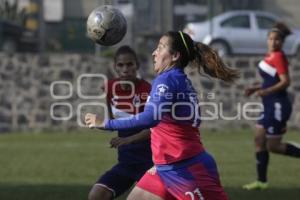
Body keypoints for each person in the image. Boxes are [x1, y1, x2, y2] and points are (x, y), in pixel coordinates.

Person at [85, 31, 239, 200]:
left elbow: (150, 118)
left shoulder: (167, 80)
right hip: (165, 168)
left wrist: (105, 123)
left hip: (186, 169)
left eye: (160, 48)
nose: (154, 53)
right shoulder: (177, 79)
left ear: (174, 56)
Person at [88, 45, 153, 200]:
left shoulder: (148, 90)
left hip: (150, 164)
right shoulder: (110, 88)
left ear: (137, 65)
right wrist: (96, 122)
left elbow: (154, 129)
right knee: (96, 195)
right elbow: (112, 123)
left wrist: (128, 139)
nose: (125, 69)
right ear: (115, 67)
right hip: (126, 163)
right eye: (121, 65)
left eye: (130, 64)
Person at [243, 22, 300, 190]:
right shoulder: (270, 56)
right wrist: (255, 88)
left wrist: (266, 91)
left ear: (282, 43)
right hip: (268, 105)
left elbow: (285, 81)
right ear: (267, 40)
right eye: (271, 39)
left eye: (277, 40)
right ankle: (261, 181)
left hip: (278, 106)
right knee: (259, 140)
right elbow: (270, 80)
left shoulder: (279, 57)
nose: (274, 42)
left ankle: (262, 180)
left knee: (273, 146)